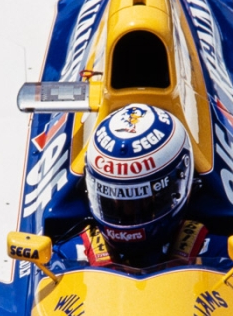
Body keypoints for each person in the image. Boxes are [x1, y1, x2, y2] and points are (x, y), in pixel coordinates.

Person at [82, 103, 207, 266]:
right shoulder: (74, 252)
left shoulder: (214, 250)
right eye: (113, 204)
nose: (127, 213)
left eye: (144, 203)